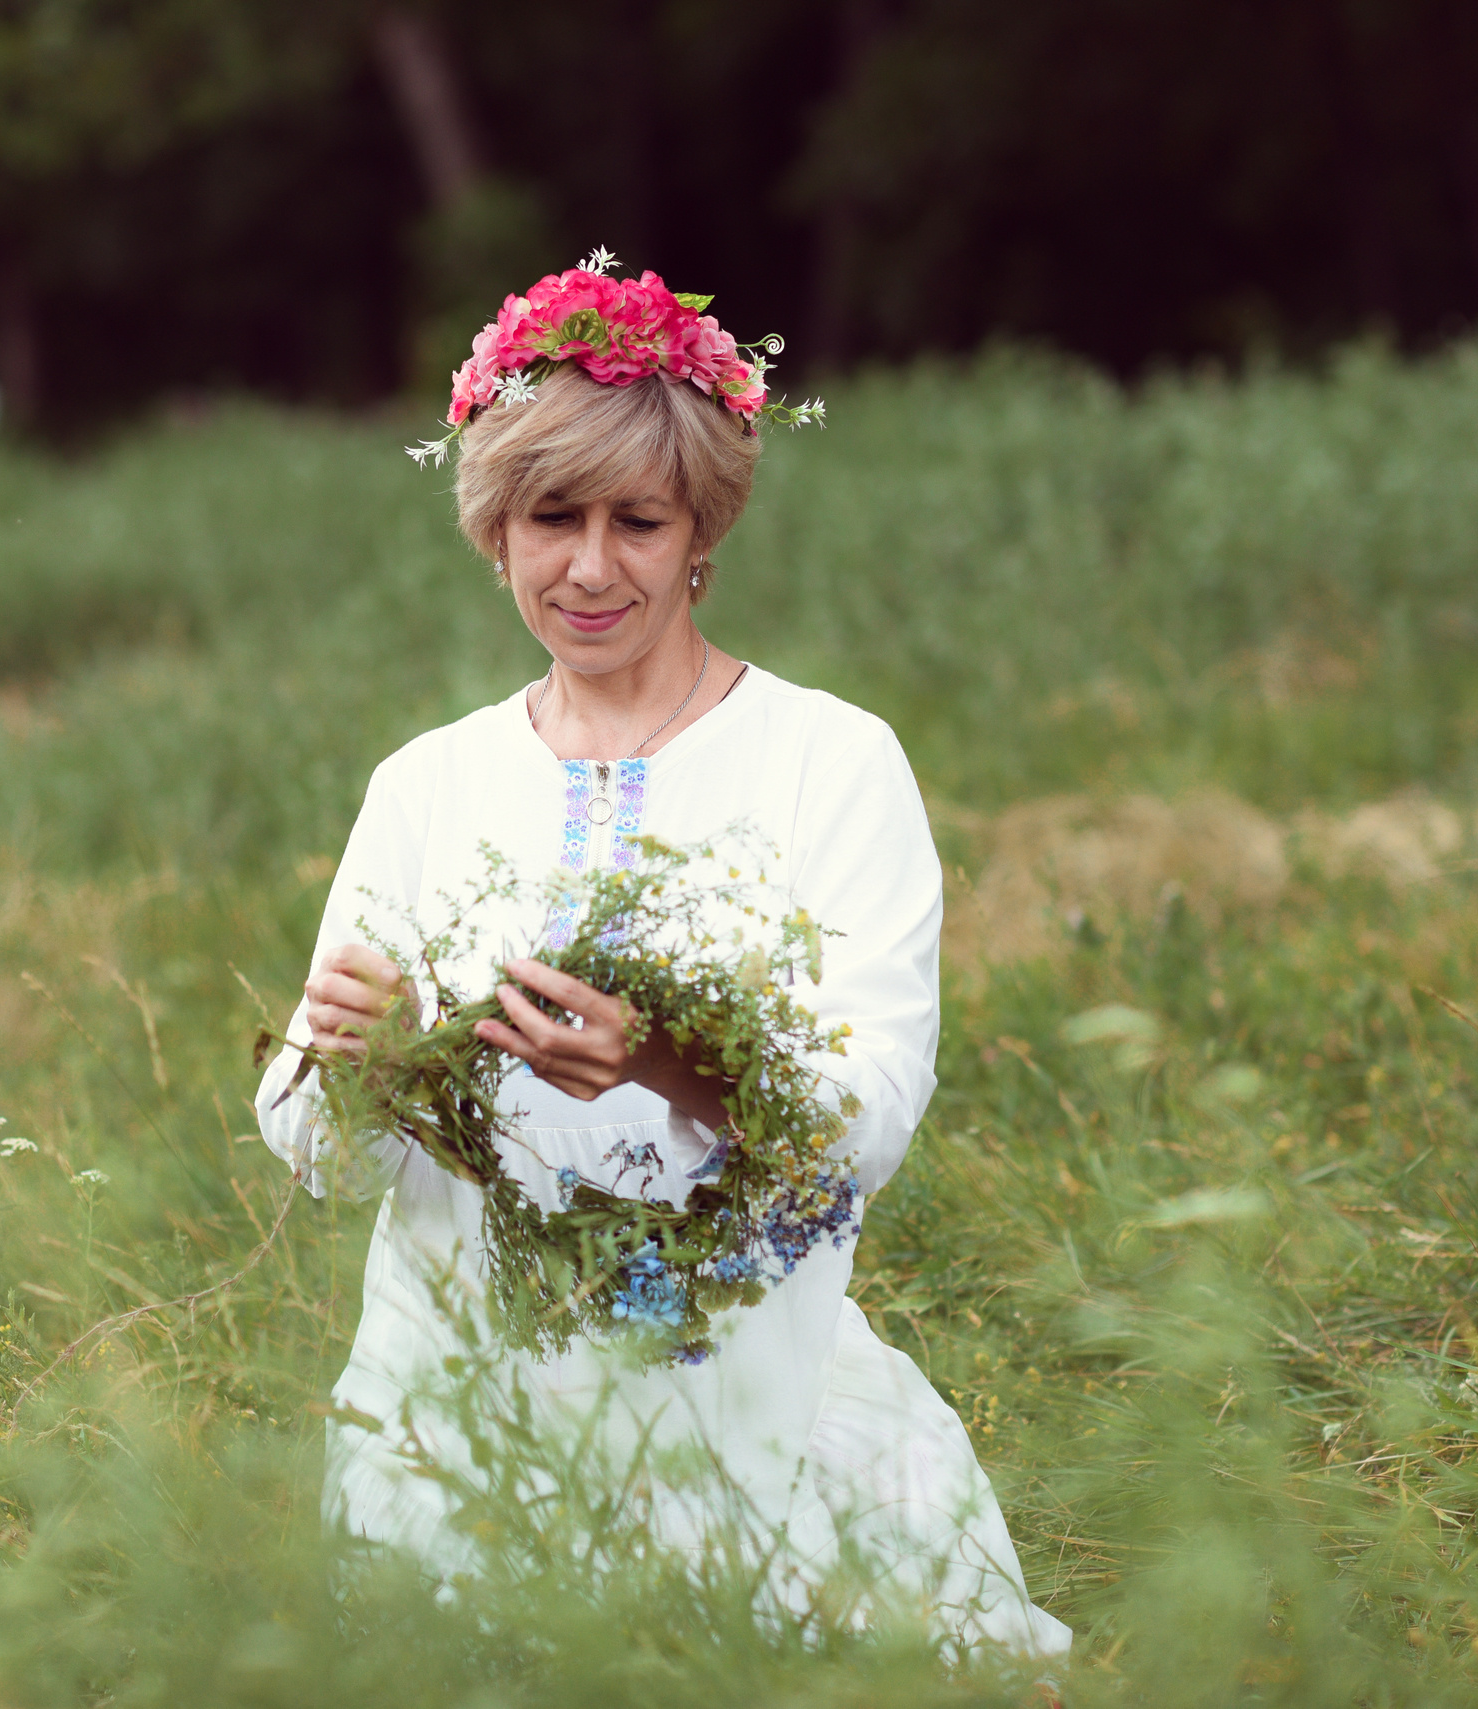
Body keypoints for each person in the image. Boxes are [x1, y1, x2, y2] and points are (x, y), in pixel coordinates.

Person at [253, 255, 1070, 1670]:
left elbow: (869, 1118)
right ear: (494, 531)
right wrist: (347, 1059)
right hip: (458, 1413)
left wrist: (668, 1063)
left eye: (639, 520)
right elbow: (321, 1156)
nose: (590, 564)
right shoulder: (427, 784)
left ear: (704, 534)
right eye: (551, 516)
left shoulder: (831, 762)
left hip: (751, 1389)